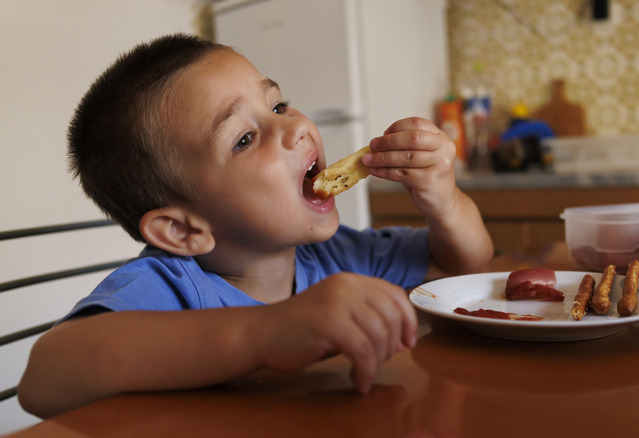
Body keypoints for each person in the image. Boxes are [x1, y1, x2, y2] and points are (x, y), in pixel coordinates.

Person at [17, 34, 493, 418]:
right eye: (244, 138)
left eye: (278, 106)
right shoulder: (174, 288)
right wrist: (267, 332)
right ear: (183, 230)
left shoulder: (335, 257)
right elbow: (45, 377)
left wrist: (444, 200)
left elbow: (461, 266)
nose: (296, 127)